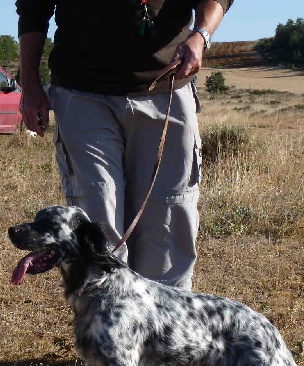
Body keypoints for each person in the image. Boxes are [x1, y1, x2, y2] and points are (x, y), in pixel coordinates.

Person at [16, 0, 233, 290]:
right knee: (97, 211)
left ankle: (166, 327)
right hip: (81, 92)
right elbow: (33, 8)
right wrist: (29, 83)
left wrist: (201, 35)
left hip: (166, 86)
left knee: (167, 214)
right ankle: (109, 324)